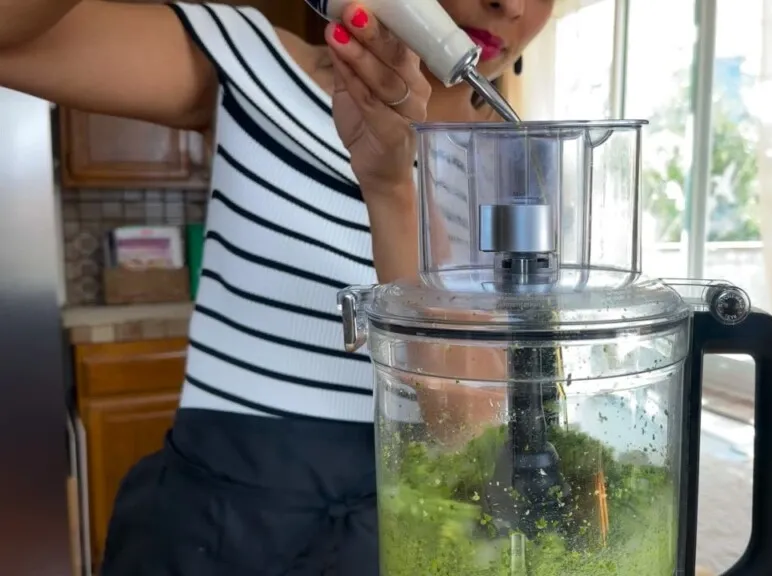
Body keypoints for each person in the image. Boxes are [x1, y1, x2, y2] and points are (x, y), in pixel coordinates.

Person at [0, 0, 554, 573]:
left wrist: (394, 185)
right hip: (210, 534)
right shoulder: (251, 56)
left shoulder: (521, 167)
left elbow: (467, 427)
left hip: (396, 537)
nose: (508, 4)